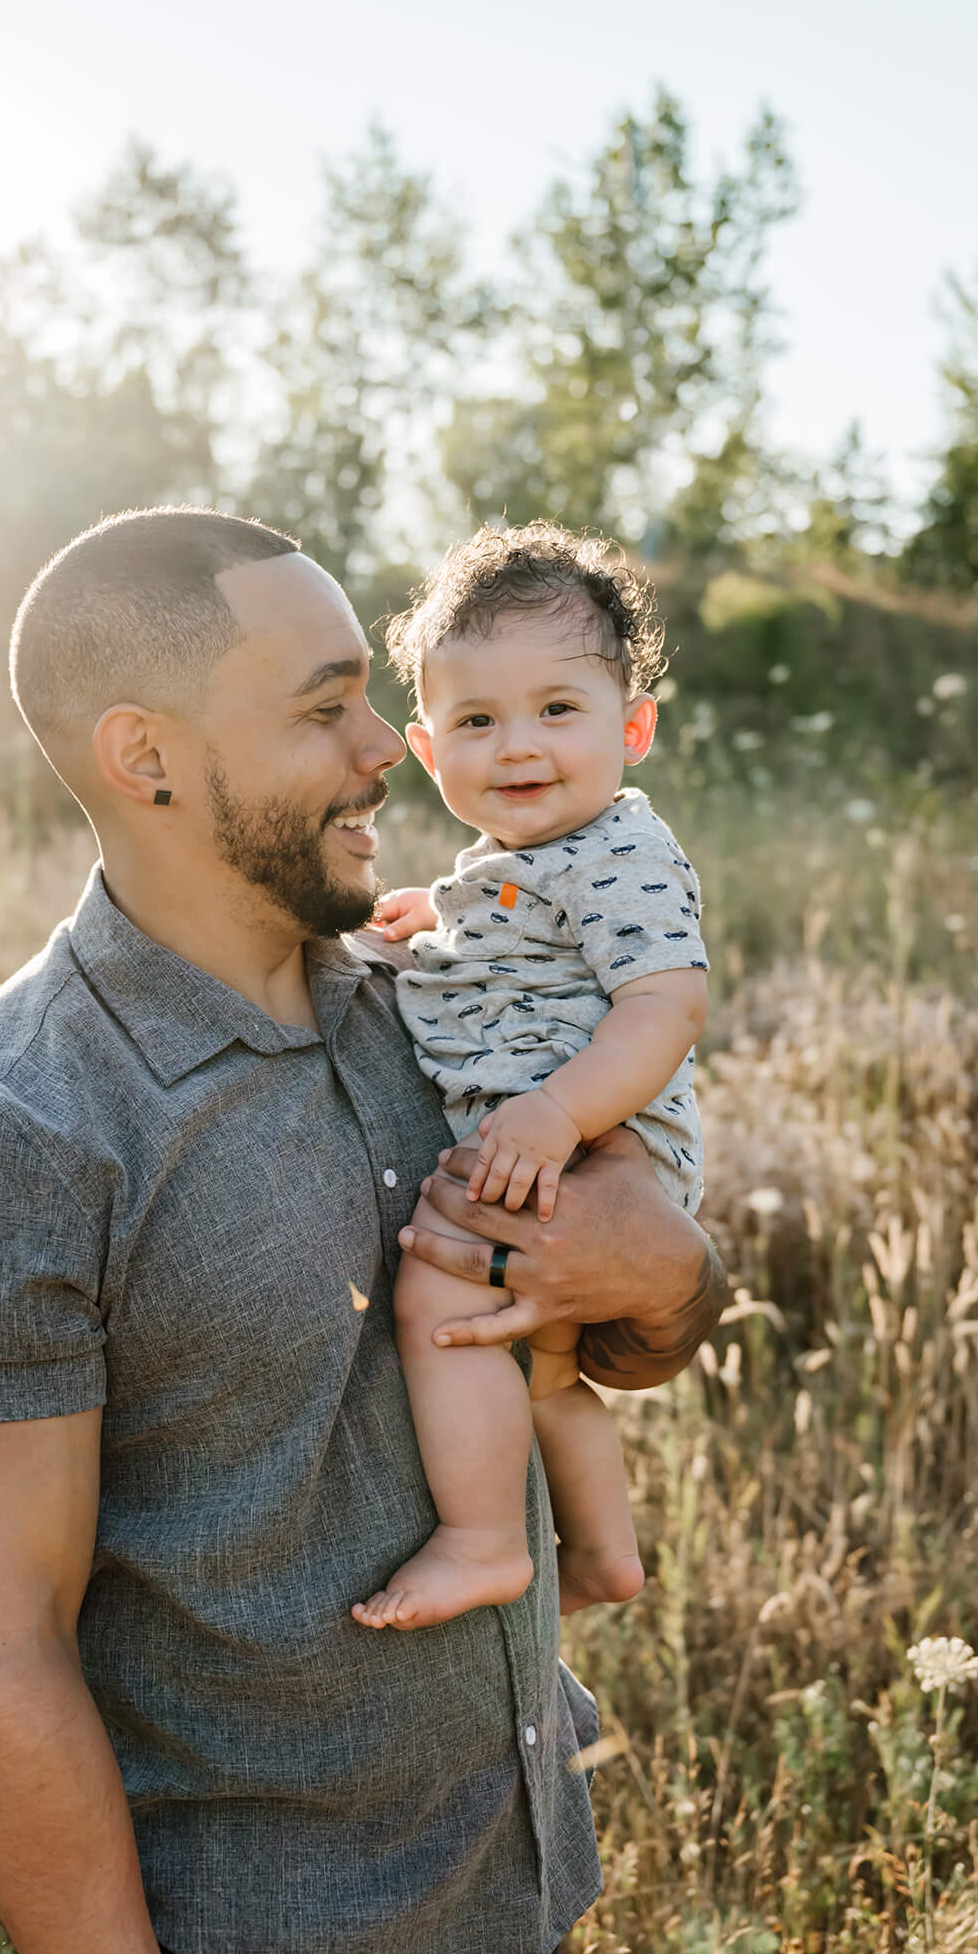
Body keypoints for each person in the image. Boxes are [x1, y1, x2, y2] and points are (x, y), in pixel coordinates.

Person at [0, 508, 727, 1954]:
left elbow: (633, 1321)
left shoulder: (425, 989)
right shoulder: (10, 1141)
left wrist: (668, 1278)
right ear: (145, 760)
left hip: (500, 1900)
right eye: (331, 706)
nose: (391, 748)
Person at [353, 523, 708, 1633]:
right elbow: (517, 945)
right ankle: (604, 1555)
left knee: (437, 1297)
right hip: (549, 1147)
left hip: (591, 1151)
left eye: (558, 708)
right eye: (476, 720)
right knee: (547, 1374)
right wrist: (436, 924)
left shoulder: (621, 851)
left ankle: (483, 1540)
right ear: (426, 749)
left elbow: (665, 1003)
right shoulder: (517, 865)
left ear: (632, 727)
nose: (518, 745)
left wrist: (559, 1115)